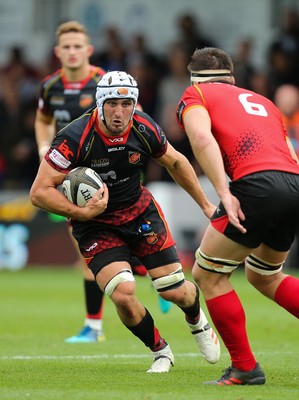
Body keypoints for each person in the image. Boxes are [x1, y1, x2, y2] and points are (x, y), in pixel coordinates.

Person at [30, 70, 220, 372]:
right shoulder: (74, 137)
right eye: (112, 104)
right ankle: (161, 351)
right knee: (123, 293)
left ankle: (197, 321)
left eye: (127, 104)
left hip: (139, 213)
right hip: (95, 225)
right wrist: (81, 213)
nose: (120, 112)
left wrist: (207, 205)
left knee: (174, 291)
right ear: (100, 103)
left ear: (135, 104)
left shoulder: (144, 127)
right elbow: (39, 192)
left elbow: (176, 161)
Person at [176, 46, 299, 385]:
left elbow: (201, 137)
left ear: (196, 77)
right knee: (265, 276)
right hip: (293, 184)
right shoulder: (265, 102)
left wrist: (224, 192)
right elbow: (290, 152)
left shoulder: (195, 93)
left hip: (256, 184)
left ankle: (245, 368)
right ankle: (244, 367)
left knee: (208, 275)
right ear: (231, 78)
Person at [35, 20, 107, 343]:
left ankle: (152, 274)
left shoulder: (104, 82)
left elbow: (135, 116)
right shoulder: (50, 87)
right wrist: (43, 148)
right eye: (67, 47)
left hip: (109, 173)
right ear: (58, 52)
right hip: (73, 182)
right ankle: (93, 327)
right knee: (87, 250)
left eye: (78, 46)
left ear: (89, 51)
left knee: (99, 248)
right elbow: (43, 119)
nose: (73, 51)